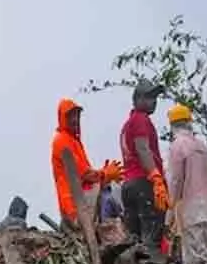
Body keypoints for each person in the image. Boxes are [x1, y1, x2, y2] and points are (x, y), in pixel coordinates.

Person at [50, 98, 123, 229]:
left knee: (112, 189)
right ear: (62, 118)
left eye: (76, 115)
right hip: (74, 206)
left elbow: (87, 174)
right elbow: (83, 174)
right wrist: (105, 174)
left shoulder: (74, 141)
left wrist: (104, 174)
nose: (74, 119)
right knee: (108, 195)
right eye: (70, 116)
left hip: (82, 200)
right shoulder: (61, 141)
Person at [166, 104, 207, 264]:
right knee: (203, 244)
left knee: (195, 253)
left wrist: (170, 211)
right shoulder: (202, 146)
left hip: (191, 205)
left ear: (172, 125)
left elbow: (175, 180)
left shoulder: (177, 146)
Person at [119, 80, 168, 255]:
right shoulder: (140, 119)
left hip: (129, 184)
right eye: (149, 97)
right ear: (138, 99)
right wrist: (155, 176)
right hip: (143, 182)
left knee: (135, 235)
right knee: (152, 234)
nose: (153, 101)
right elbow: (142, 148)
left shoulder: (128, 124)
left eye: (155, 97)